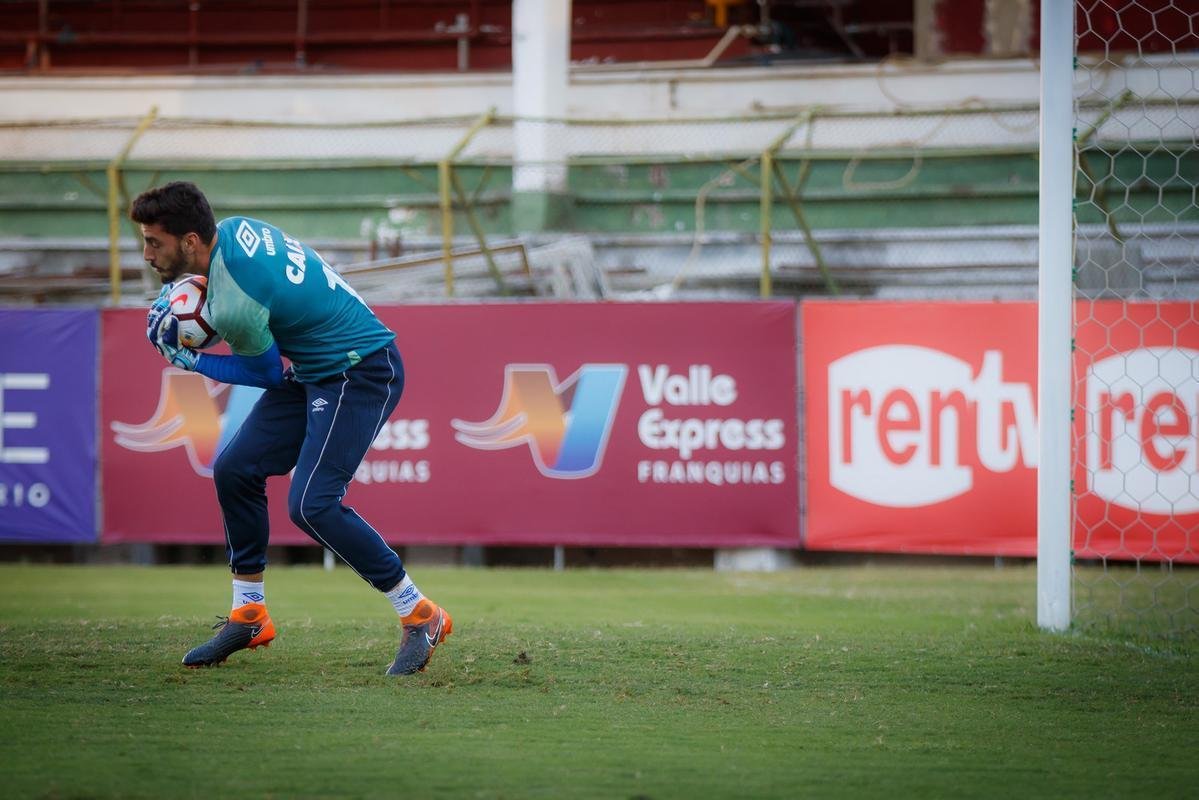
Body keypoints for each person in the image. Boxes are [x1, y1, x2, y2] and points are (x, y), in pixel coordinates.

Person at [133, 181, 451, 675]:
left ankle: (420, 613)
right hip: (316, 368)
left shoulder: (234, 302)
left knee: (311, 505)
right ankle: (249, 614)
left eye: (155, 242)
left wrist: (189, 358)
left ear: (191, 241)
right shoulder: (234, 229)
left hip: (359, 369)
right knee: (235, 469)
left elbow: (264, 373)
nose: (147, 253)